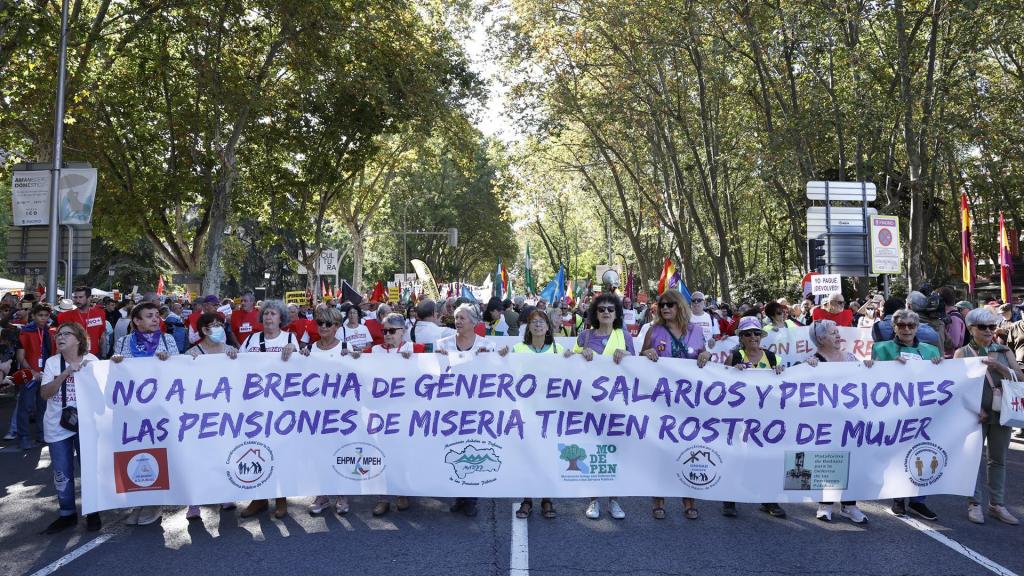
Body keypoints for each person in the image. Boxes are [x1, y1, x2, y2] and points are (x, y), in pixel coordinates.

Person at [641, 290, 709, 520]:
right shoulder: (654, 331)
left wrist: (706, 355)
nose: (665, 309)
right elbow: (639, 361)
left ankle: (688, 500)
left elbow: (703, 355)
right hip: (661, 401)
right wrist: (646, 353)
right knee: (661, 451)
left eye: (670, 304)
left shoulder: (697, 331)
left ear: (680, 306)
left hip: (690, 402)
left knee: (689, 450)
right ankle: (658, 499)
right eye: (661, 305)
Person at [111, 302, 179, 525]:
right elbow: (116, 373)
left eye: (157, 316)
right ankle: (138, 499)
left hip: (160, 408)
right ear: (136, 321)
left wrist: (168, 362)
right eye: (149, 316)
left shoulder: (167, 340)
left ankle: (155, 502)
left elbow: (180, 371)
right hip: (133, 409)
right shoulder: (123, 342)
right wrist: (116, 363)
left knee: (158, 452)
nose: (155, 319)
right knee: (135, 453)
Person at [870, 308, 942, 520]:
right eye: (901, 325)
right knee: (898, 454)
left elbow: (943, 379)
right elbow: (871, 376)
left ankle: (919, 501)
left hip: (923, 411)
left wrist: (941, 365)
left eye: (911, 325)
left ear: (918, 327)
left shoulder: (930, 350)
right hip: (895, 410)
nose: (907, 329)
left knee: (923, 452)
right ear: (894, 327)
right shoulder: (881, 348)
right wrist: (888, 365)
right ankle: (899, 498)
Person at [953, 308, 1022, 525]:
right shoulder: (961, 353)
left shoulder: (1003, 350)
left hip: (1003, 412)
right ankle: (974, 503)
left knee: (998, 459)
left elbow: (1020, 378)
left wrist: (1000, 367)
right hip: (975, 415)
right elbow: (957, 388)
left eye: (992, 326)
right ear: (971, 328)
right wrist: (974, 410)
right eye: (982, 327)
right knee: (973, 459)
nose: (988, 331)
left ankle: (997, 504)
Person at [436, 303, 504, 517]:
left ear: (474, 322)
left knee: (473, 450)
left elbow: (498, 372)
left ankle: (472, 498)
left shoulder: (487, 345)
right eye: (456, 318)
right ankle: (459, 496)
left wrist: (498, 356)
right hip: (451, 408)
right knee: (454, 450)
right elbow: (430, 370)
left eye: (462, 318)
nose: (457, 321)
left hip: (477, 410)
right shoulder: (443, 343)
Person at [804, 320, 872, 523]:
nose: (838, 336)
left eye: (838, 332)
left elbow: (863, 382)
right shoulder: (812, 361)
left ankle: (849, 506)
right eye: (834, 333)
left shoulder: (851, 358)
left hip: (849, 421)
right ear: (821, 338)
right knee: (827, 461)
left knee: (852, 461)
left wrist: (868, 367)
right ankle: (825, 504)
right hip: (825, 423)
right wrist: (808, 369)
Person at [38, 322, 101, 534]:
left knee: (90, 469)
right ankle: (67, 514)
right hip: (57, 424)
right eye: (58, 334)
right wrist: (66, 373)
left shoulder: (92, 360)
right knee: (62, 471)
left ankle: (93, 511)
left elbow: (104, 393)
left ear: (79, 339)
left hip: (87, 425)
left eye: (66, 334)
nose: (60, 337)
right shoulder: (52, 362)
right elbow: (45, 394)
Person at [574, 293, 633, 520]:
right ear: (595, 313)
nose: (606, 312)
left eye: (610, 309)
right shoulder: (584, 336)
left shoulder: (624, 336)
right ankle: (593, 499)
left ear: (617, 313)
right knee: (593, 450)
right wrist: (581, 352)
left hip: (617, 404)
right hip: (590, 404)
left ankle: (614, 499)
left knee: (614, 452)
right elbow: (569, 362)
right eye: (601, 309)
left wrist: (627, 353)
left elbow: (637, 368)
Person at [722, 316, 787, 519]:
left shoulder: (773, 358)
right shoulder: (735, 356)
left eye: (756, 333)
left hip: (765, 417)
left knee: (766, 458)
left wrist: (781, 373)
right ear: (741, 337)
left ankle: (768, 499)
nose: (753, 337)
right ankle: (729, 498)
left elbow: (785, 384)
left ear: (761, 336)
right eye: (748, 334)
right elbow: (721, 383)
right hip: (739, 417)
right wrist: (733, 372)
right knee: (736, 456)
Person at [238, 300, 297, 519]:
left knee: (280, 451)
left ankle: (281, 498)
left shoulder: (290, 339)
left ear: (281, 318)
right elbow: (238, 365)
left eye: (273, 314)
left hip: (282, 406)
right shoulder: (251, 339)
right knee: (257, 450)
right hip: (255, 406)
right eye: (265, 314)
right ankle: (260, 497)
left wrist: (294, 350)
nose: (268, 317)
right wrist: (233, 356)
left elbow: (301, 369)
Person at [182, 312, 239, 519]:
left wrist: (236, 360)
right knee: (197, 457)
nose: (217, 328)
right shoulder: (192, 353)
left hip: (225, 413)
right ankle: (194, 502)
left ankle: (224, 494)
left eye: (220, 324)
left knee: (223, 454)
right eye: (212, 325)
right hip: (200, 415)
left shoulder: (231, 351)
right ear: (203, 330)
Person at [512, 309, 567, 519]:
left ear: (548, 327)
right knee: (527, 457)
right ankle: (527, 500)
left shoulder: (558, 349)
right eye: (533, 322)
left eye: (541, 322)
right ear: (528, 327)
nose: (537, 325)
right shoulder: (517, 349)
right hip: (526, 412)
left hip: (551, 414)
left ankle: (546, 499)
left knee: (547, 456)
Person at [302, 305, 354, 517]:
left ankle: (342, 494)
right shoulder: (309, 350)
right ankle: (323, 495)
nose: (322, 327)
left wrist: (353, 358)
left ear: (336, 327)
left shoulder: (346, 347)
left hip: (342, 413)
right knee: (320, 454)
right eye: (319, 323)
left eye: (328, 324)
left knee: (342, 451)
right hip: (316, 413)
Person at [15, 303, 55, 450]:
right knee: (25, 407)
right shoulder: (25, 332)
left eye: (46, 315)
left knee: (43, 407)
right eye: (40, 315)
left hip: (46, 375)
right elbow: (20, 357)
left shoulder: (49, 332)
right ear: (33, 316)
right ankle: (24, 437)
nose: (43, 318)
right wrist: (33, 372)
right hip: (30, 375)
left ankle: (41, 434)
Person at [58, 286, 107, 356]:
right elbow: (61, 339)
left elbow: (102, 337)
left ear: (89, 298)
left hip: (94, 355)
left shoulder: (100, 313)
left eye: (80, 297)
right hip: (73, 356)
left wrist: (103, 356)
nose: (77, 300)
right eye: (75, 297)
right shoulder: (65, 316)